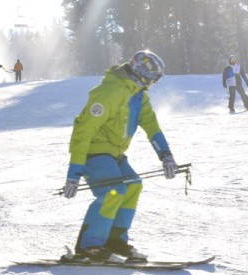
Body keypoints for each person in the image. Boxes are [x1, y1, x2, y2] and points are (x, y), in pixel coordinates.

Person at [61, 50, 178, 262]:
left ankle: (114, 240)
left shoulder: (137, 95)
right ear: (141, 72)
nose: (153, 82)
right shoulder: (110, 92)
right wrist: (74, 172)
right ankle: (90, 246)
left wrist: (165, 155)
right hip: (93, 152)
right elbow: (83, 131)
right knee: (113, 191)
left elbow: (151, 125)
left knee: (133, 185)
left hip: (114, 153)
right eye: (152, 77)